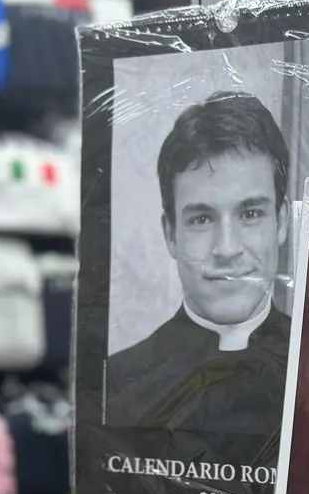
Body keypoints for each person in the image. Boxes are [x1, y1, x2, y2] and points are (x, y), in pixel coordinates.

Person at [106, 91, 291, 431]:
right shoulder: (116, 384)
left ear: (281, 221)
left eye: (250, 213)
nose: (226, 248)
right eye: (202, 219)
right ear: (170, 234)